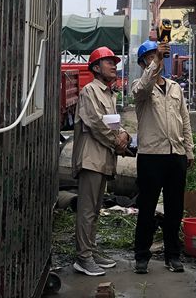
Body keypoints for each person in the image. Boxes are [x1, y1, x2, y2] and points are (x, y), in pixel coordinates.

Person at [132, 40, 194, 274]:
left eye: (157, 56)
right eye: (150, 57)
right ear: (142, 63)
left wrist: (189, 150)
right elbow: (144, 86)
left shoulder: (175, 88)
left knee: (175, 209)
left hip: (175, 155)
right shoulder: (140, 87)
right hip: (151, 156)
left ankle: (172, 255)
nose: (155, 60)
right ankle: (141, 256)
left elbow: (185, 120)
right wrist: (156, 61)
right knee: (147, 208)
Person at [71, 46, 131, 276]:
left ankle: (91, 250)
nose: (114, 65)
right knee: (87, 210)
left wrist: (123, 134)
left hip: (103, 158)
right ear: (96, 68)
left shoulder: (108, 93)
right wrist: (117, 141)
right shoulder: (90, 91)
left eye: (114, 62)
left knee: (95, 209)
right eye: (109, 62)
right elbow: (97, 124)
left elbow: (113, 123)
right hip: (91, 158)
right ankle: (83, 257)